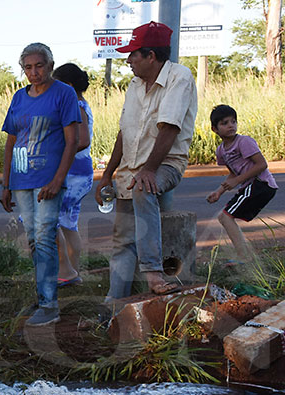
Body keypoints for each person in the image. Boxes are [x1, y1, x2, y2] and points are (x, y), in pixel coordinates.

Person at [95, 22, 198, 300]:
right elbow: (124, 133)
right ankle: (113, 306)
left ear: (151, 56)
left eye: (133, 55)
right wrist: (107, 175)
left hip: (165, 165)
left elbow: (170, 127)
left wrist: (150, 170)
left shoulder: (180, 76)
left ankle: (153, 272)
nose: (128, 60)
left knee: (144, 187)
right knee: (123, 242)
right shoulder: (135, 84)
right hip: (130, 171)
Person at [0, 43, 81, 327]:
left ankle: (49, 305)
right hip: (22, 180)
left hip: (49, 179)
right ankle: (44, 295)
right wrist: (5, 183)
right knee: (34, 238)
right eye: (28, 67)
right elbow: (10, 141)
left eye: (39, 66)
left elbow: (72, 141)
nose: (34, 72)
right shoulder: (19, 97)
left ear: (50, 65)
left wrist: (58, 180)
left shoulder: (64, 93)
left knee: (46, 235)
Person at [206, 104, 278, 264]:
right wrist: (219, 191)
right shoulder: (221, 151)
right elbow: (233, 172)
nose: (231, 125)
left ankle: (244, 256)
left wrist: (239, 181)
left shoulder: (243, 142)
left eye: (233, 121)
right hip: (252, 186)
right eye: (224, 123)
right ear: (214, 129)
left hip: (261, 184)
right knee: (224, 217)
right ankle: (244, 254)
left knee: (225, 217)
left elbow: (262, 165)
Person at [51, 63, 94, 288]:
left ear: (67, 86)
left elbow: (82, 139)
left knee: (48, 218)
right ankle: (72, 273)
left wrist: (56, 151)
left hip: (73, 173)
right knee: (68, 224)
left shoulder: (75, 105)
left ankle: (65, 270)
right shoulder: (79, 104)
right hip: (80, 172)